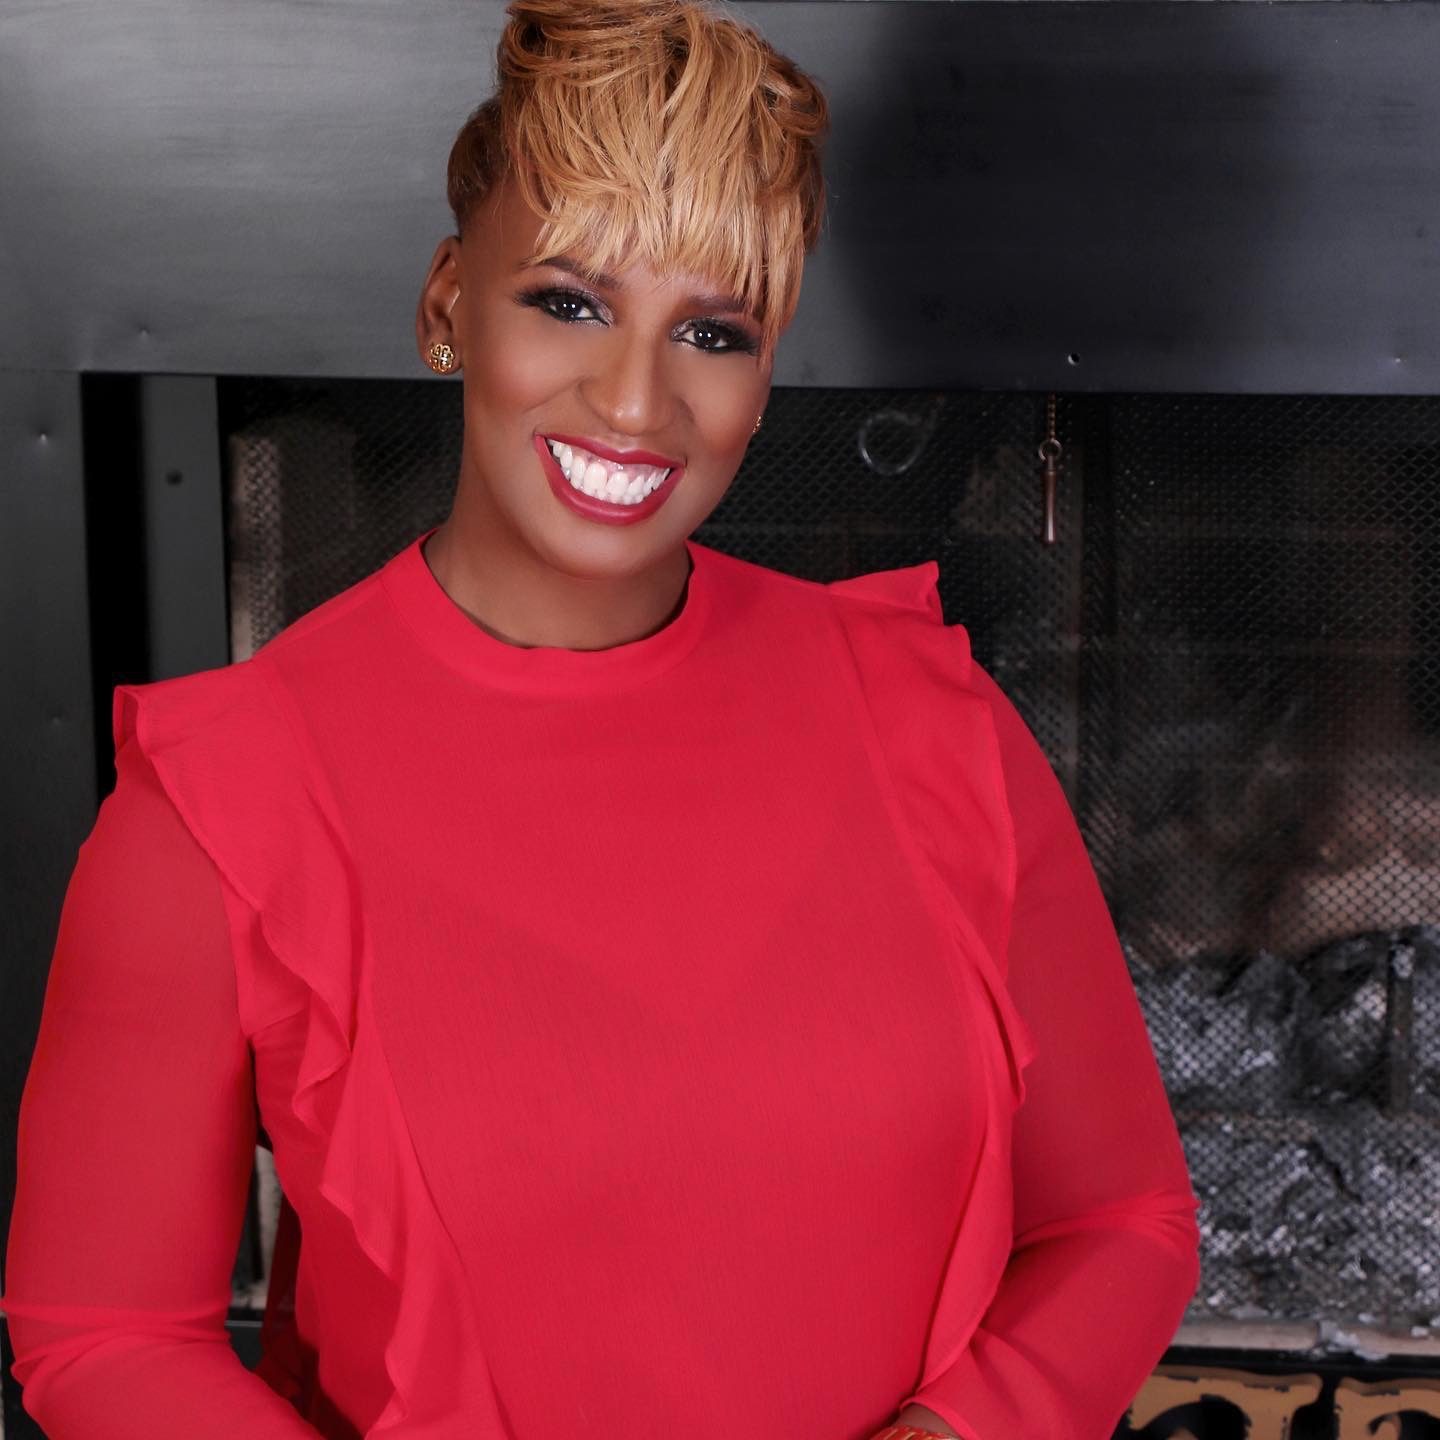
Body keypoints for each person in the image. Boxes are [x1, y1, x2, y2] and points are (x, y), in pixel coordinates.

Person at [0, 0, 1201, 1434]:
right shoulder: (220, 805)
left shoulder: (933, 723)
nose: (636, 402)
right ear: (449, 303)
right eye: (568, 302)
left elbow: (1119, 1219)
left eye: (711, 330)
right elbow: (104, 1334)